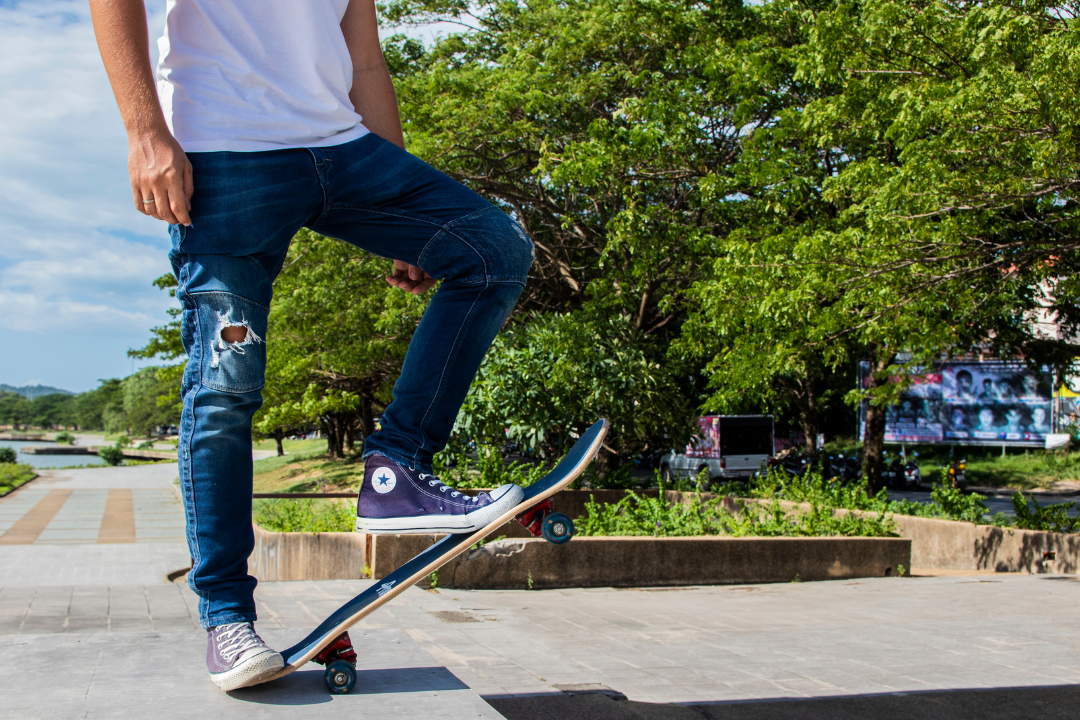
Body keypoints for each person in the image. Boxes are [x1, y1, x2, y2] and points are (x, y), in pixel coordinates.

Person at [90, 0, 533, 691]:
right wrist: (145, 132)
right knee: (225, 387)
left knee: (492, 250)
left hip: (348, 153)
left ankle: (396, 474)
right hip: (224, 158)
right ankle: (228, 618)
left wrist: (403, 214)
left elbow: (364, 59)